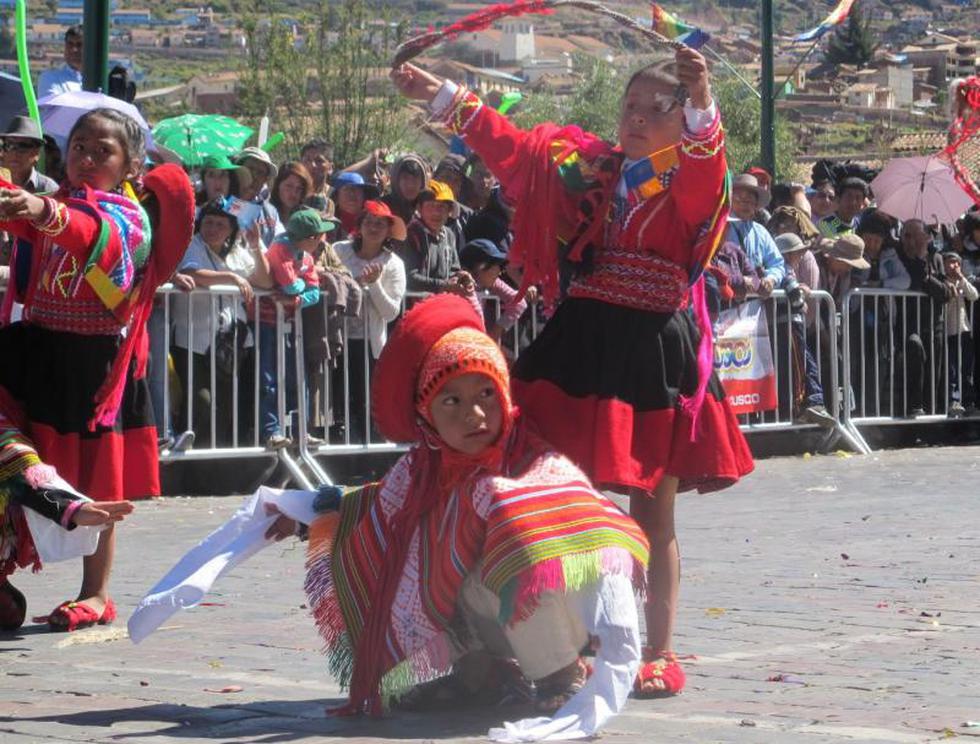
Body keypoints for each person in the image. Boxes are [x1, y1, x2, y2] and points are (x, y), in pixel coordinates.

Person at [392, 46, 753, 696]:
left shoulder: (691, 180)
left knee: (653, 511)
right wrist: (440, 95)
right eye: (629, 104)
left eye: (657, 107)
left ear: (684, 118)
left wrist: (703, 105)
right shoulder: (590, 171)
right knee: (530, 490)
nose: (636, 117)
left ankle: (654, 651)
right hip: (579, 343)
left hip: (653, 349)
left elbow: (705, 170)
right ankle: (531, 641)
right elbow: (512, 149)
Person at [273, 294, 650, 735]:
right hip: (482, 611)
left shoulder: (534, 459)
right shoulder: (423, 468)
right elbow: (377, 509)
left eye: (486, 394)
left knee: (514, 557)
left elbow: (575, 514)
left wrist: (504, 504)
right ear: (425, 415)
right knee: (422, 558)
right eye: (450, 401)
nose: (474, 414)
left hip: (549, 610)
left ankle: (561, 674)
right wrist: (305, 516)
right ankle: (480, 674)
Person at [0, 108, 195, 630]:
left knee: (95, 484)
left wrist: (39, 207)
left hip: (93, 369)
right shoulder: (56, 204)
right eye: (80, 147)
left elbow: (86, 232)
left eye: (102, 150)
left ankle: (95, 593)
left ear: (130, 165)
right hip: (37, 352)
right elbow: (24, 215)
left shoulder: (128, 220)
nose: (86, 158)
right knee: (18, 465)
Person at [171, 200, 262, 447]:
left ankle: (211, 474)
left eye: (220, 224)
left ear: (231, 229)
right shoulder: (192, 245)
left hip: (228, 342)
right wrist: (230, 277)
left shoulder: (236, 251)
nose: (212, 228)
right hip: (194, 340)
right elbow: (191, 273)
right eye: (208, 222)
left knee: (224, 406)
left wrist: (255, 247)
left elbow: (263, 279)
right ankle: (187, 467)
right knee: (202, 401)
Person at [255, 208, 330, 447]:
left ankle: (301, 431)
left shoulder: (306, 257)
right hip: (266, 323)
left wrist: (297, 299)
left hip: (289, 324)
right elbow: (290, 285)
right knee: (269, 377)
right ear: (309, 238)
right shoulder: (280, 249)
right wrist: (298, 289)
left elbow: (313, 293)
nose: (321, 240)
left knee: (298, 378)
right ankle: (271, 430)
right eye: (318, 235)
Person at [333, 200, 407, 442]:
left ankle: (368, 459)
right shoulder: (339, 251)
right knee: (338, 400)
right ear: (360, 225)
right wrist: (357, 283)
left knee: (366, 403)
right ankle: (341, 457)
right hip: (337, 339)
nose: (374, 228)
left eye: (380, 224)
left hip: (370, 344)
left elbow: (391, 312)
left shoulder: (394, 264)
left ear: (388, 231)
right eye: (369, 222)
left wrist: (374, 284)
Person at [897, 219, 949, 417]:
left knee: (933, 372)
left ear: (925, 238)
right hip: (909, 323)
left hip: (933, 323)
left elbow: (945, 293)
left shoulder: (935, 258)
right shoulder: (900, 256)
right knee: (915, 349)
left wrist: (929, 279)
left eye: (916, 236)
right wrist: (919, 264)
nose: (911, 241)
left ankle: (931, 415)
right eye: (907, 235)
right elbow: (909, 282)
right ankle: (913, 408)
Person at [400, 180, 470, 296]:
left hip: (442, 305)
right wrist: (443, 285)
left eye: (442, 207)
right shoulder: (411, 234)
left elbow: (454, 270)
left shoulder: (449, 235)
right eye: (431, 206)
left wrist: (462, 278)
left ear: (450, 211)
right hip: (414, 306)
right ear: (419, 208)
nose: (437, 212)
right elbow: (409, 277)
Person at [726, 173, 786, 297]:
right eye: (740, 199)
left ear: (756, 205)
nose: (745, 204)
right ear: (730, 200)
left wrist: (771, 279)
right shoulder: (719, 229)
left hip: (756, 308)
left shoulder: (761, 232)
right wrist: (739, 280)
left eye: (750, 200)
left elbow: (777, 264)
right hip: (725, 306)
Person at [459, 237, 528, 344]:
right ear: (480, 267)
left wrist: (495, 333)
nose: (500, 272)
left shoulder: (494, 282)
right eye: (497, 266)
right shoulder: (458, 287)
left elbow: (519, 303)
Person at [942, 252, 977, 416]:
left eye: (956, 263)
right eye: (950, 262)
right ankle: (953, 400)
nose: (954, 266)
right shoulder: (942, 282)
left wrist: (961, 278)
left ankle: (968, 400)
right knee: (953, 368)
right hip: (950, 330)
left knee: (966, 368)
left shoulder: (963, 281)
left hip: (964, 329)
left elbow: (974, 295)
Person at [232, 147, 283, 247]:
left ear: (265, 179)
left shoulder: (270, 213)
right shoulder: (223, 204)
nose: (254, 176)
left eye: (260, 173)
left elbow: (279, 244)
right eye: (250, 169)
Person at [0, 117, 58, 194]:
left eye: (23, 146)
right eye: (9, 145)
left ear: (36, 154)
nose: (14, 153)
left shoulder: (49, 189)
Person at [330, 171, 380, 239]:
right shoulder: (327, 223)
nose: (352, 194)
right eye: (347, 189)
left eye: (357, 189)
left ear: (364, 196)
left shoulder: (375, 222)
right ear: (337, 196)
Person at [37, 26, 83, 98]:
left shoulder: (103, 80)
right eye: (70, 44)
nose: (74, 50)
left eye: (79, 45)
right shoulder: (51, 78)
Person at [383, 153, 429, 225]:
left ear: (422, 182)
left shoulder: (427, 212)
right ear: (396, 180)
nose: (410, 185)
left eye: (415, 179)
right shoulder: (382, 207)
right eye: (405, 178)